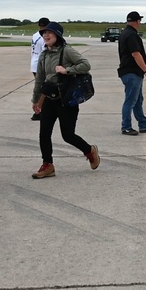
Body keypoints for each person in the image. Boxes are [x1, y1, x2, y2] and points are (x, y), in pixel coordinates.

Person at [30, 22, 100, 179]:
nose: (46, 36)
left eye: (50, 33)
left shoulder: (67, 51)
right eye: (44, 33)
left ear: (58, 36)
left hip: (66, 99)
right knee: (44, 134)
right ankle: (47, 165)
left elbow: (85, 65)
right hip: (49, 98)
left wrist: (67, 70)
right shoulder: (44, 55)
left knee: (67, 135)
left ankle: (89, 151)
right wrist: (36, 100)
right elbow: (40, 80)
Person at [117, 11, 146, 136]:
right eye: (140, 20)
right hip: (132, 72)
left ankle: (143, 125)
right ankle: (126, 127)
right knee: (130, 100)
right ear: (137, 21)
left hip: (129, 72)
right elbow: (135, 54)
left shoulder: (124, 33)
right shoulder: (132, 35)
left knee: (138, 100)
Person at [29, 17, 50, 120]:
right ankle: (38, 112)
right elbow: (45, 52)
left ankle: (39, 110)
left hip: (33, 63)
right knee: (43, 89)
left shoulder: (35, 35)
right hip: (40, 65)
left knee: (40, 88)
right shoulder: (45, 37)